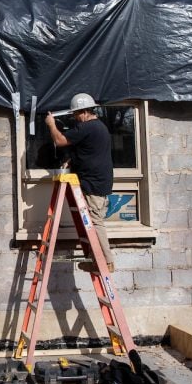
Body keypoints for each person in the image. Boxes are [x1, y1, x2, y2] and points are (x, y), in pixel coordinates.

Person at [44, 93, 115, 272]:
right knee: (92, 222)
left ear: (84, 112)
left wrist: (51, 124)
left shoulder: (88, 127)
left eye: (76, 114)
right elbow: (88, 152)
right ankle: (95, 260)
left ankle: (106, 262)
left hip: (94, 185)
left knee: (96, 222)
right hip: (98, 182)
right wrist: (71, 160)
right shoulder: (99, 128)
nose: (75, 118)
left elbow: (60, 141)